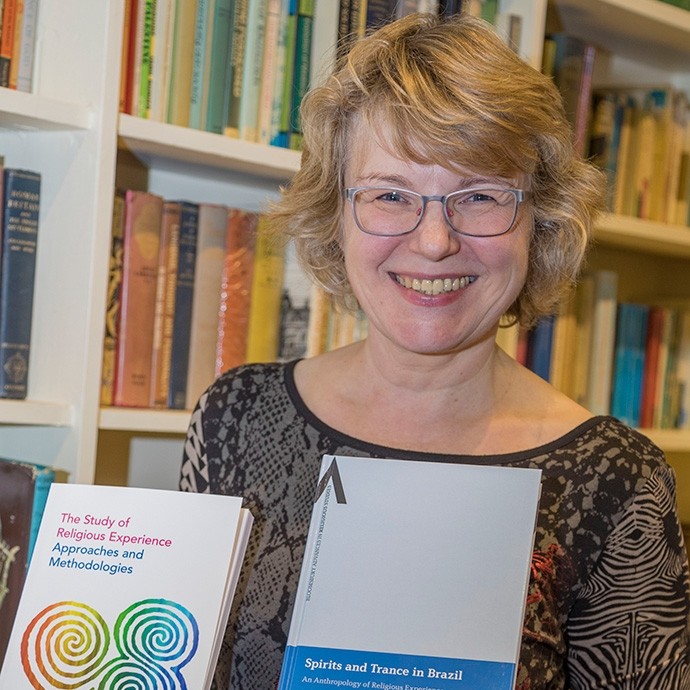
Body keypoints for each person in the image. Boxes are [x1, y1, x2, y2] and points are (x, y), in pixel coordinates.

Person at [180, 12, 690, 690]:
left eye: (477, 197)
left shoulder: (618, 482)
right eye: (391, 194)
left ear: (538, 224)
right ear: (336, 213)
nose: (433, 242)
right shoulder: (235, 417)